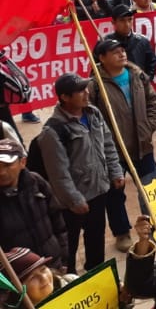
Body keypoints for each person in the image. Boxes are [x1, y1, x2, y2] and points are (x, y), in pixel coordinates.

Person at [39, 73, 124, 274]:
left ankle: (96, 272)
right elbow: (58, 173)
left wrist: (115, 170)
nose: (86, 93)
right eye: (80, 91)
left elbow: (108, 144)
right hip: (73, 202)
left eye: (86, 88)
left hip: (99, 190)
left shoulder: (93, 113)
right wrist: (74, 199)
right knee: (69, 243)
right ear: (65, 97)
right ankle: (70, 278)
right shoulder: (53, 131)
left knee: (96, 237)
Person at [88, 38, 156, 253]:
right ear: (102, 58)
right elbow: (91, 119)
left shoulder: (137, 75)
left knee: (149, 188)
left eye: (122, 50)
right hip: (113, 152)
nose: (122, 54)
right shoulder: (94, 85)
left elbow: (153, 102)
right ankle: (122, 232)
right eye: (114, 52)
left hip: (142, 145)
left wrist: (149, 127)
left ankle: (151, 227)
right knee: (115, 194)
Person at [0, 140, 68, 264]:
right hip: (23, 275)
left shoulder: (36, 182)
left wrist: (64, 256)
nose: (2, 172)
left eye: (7, 165)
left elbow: (58, 221)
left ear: (22, 162)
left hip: (54, 263)